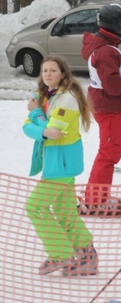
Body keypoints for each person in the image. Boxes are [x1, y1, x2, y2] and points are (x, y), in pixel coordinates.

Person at [23, 55, 98, 276]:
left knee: (35, 207)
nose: (47, 74)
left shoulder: (67, 99)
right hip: (54, 164)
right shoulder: (43, 97)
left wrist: (36, 115)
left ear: (63, 74)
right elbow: (28, 128)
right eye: (44, 70)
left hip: (62, 165)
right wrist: (42, 127)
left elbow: (54, 132)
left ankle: (61, 255)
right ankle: (87, 256)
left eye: (53, 70)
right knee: (65, 213)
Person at [81, 3, 121, 212]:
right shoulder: (107, 51)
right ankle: (96, 200)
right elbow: (114, 86)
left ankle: (96, 195)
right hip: (110, 108)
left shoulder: (104, 46)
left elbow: (110, 75)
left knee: (108, 153)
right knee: (109, 154)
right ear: (116, 24)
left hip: (109, 106)